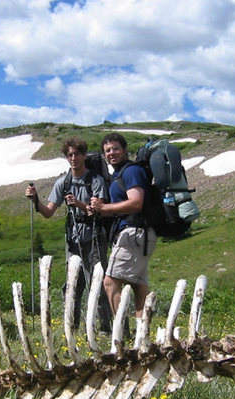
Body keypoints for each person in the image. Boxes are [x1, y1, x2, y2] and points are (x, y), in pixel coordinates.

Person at [25, 137, 113, 332]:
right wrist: (35, 199)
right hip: (72, 241)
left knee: (97, 285)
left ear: (83, 155)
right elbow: (48, 212)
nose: (73, 158)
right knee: (72, 287)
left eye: (76, 154)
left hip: (95, 238)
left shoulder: (95, 180)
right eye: (69, 155)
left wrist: (79, 204)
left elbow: (97, 210)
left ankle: (105, 329)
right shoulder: (63, 182)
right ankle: (71, 329)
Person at [90, 133, 157, 323]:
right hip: (140, 234)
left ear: (125, 149)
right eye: (107, 151)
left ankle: (122, 333)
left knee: (110, 282)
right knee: (139, 286)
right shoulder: (120, 173)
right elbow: (120, 208)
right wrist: (98, 209)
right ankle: (142, 337)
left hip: (134, 233)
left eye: (116, 148)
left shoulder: (131, 172)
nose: (112, 153)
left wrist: (104, 207)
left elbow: (136, 203)